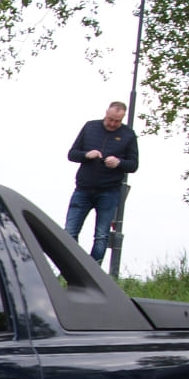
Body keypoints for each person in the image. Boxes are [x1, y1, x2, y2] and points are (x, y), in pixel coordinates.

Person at [64, 101, 138, 264]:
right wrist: (86, 155)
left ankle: (93, 270)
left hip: (109, 191)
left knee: (101, 235)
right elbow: (72, 154)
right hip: (83, 189)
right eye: (110, 119)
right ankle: (73, 265)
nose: (112, 124)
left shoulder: (128, 135)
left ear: (122, 118)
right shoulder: (90, 127)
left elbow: (133, 165)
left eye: (117, 121)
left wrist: (119, 163)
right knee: (69, 231)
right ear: (106, 113)